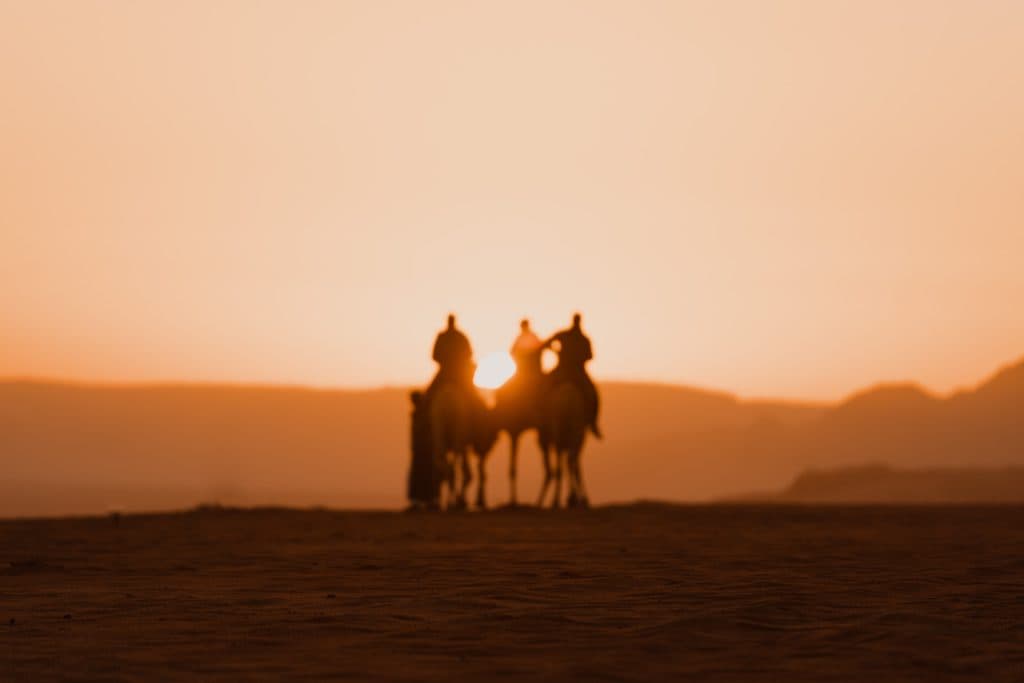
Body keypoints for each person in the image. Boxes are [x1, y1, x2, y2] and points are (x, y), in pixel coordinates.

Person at [544, 313, 602, 438]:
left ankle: (592, 422)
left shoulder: (576, 337)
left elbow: (589, 355)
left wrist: (558, 351)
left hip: (571, 371)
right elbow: (590, 356)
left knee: (592, 393)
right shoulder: (577, 337)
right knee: (591, 393)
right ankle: (540, 419)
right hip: (569, 371)